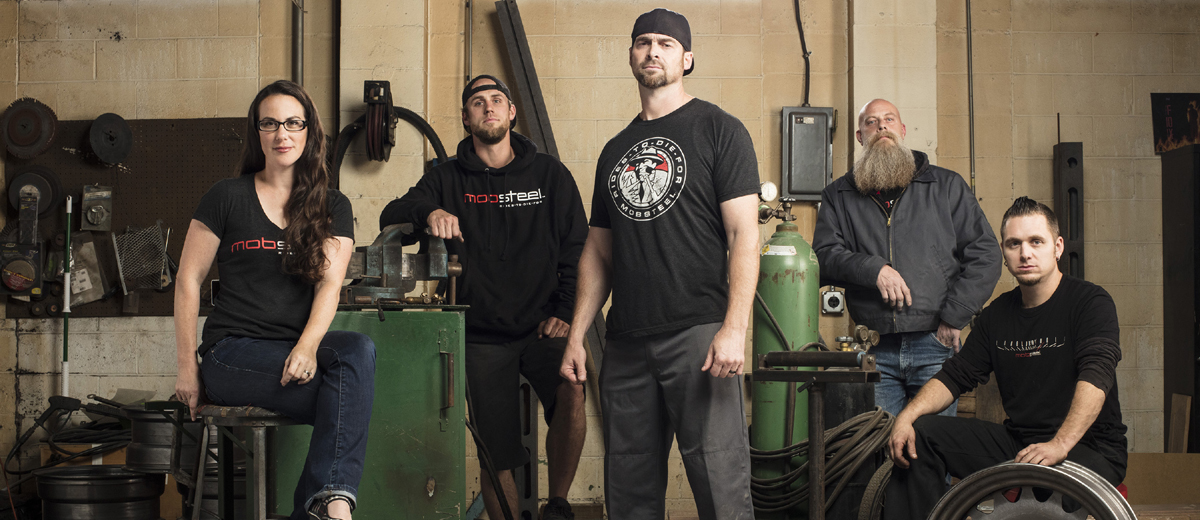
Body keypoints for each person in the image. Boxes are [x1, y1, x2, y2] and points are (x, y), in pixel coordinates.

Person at [559, 8, 760, 519]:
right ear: (631, 56)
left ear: (686, 59)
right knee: (628, 497)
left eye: (666, 44)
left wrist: (735, 328)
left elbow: (743, 234)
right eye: (643, 42)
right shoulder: (615, 150)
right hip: (626, 343)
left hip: (698, 336)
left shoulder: (719, 129)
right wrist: (577, 335)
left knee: (721, 486)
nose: (653, 51)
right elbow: (598, 251)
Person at [379, 75, 587, 520]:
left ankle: (558, 505)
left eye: (496, 100)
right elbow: (391, 214)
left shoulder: (549, 174)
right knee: (495, 451)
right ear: (466, 117)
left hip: (542, 325)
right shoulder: (445, 177)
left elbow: (577, 249)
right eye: (477, 102)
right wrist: (429, 211)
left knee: (572, 389)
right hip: (479, 335)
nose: (488, 107)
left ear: (511, 112)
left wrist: (567, 311)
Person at [173, 80, 375, 520]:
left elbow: (329, 286)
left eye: (293, 123)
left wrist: (307, 346)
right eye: (270, 123)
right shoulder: (227, 196)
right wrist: (187, 367)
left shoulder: (332, 206)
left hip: (294, 352)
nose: (282, 133)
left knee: (358, 350)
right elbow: (188, 280)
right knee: (348, 399)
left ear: (309, 131)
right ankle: (331, 506)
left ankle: (328, 503)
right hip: (231, 353)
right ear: (257, 132)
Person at [884, 197, 1127, 520]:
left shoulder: (1089, 302)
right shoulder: (997, 315)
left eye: (1036, 242)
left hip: (1088, 448)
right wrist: (906, 417)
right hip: (1021, 444)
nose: (1025, 253)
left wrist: (1059, 444)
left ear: (1057, 247)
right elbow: (954, 376)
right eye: (1014, 244)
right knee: (922, 435)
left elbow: (1097, 374)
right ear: (1004, 251)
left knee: (1042, 499)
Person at [813, 98, 1001, 416]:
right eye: (871, 122)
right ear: (860, 136)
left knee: (931, 440)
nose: (881, 127)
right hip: (874, 347)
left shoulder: (946, 186)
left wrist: (954, 317)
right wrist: (873, 269)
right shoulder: (838, 195)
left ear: (901, 130)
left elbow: (986, 254)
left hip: (935, 343)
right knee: (880, 441)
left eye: (888, 120)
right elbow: (823, 256)